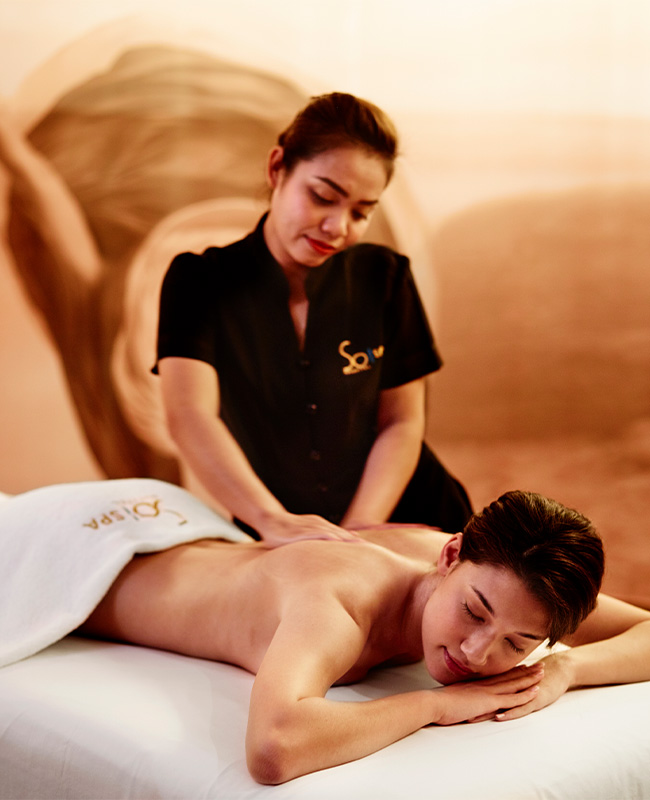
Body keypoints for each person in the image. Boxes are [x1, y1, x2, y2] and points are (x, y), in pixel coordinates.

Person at [77, 487, 650, 784]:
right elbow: (273, 749)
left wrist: (563, 669)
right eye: (473, 615)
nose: (479, 654)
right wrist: (437, 704)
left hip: (191, 538)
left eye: (518, 645)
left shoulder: (512, 585)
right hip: (93, 552)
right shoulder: (342, 600)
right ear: (451, 554)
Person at [154, 92, 472, 546]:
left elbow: (401, 422)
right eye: (323, 197)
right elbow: (189, 414)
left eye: (362, 211)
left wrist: (361, 528)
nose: (338, 227)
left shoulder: (385, 277)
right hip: (280, 538)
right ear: (277, 168)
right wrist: (271, 520)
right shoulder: (198, 282)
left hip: (410, 522)